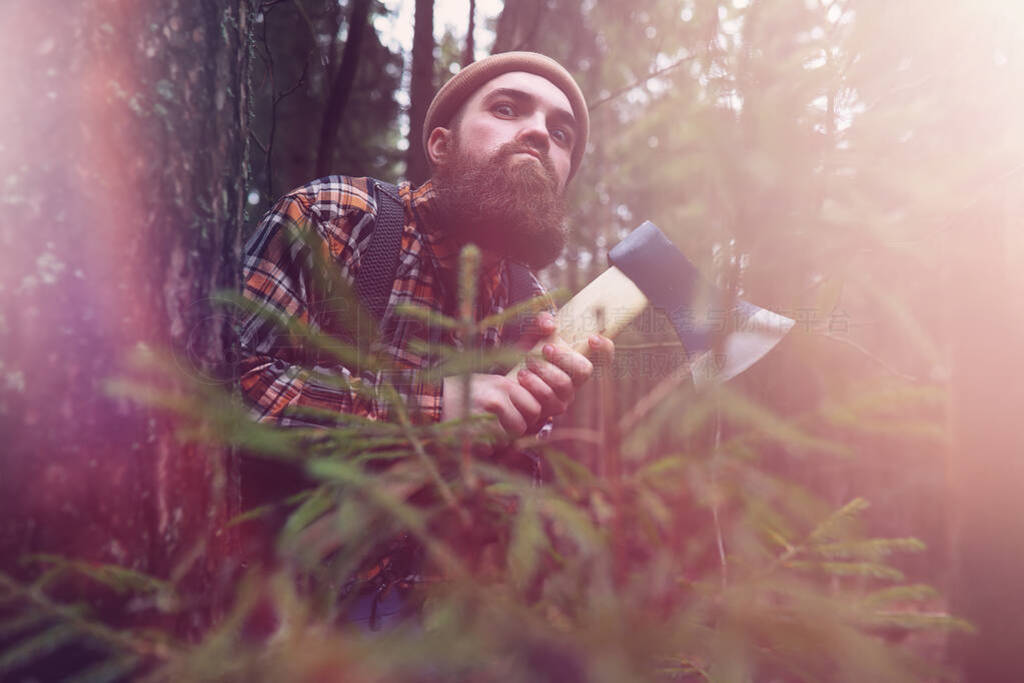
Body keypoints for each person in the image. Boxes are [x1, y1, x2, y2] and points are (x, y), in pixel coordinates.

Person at [238, 51, 613, 436]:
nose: (539, 133)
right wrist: (430, 407)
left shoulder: (533, 312)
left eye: (561, 134)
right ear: (441, 146)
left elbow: (510, 486)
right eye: (505, 109)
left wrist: (526, 410)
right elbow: (223, 384)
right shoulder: (335, 219)